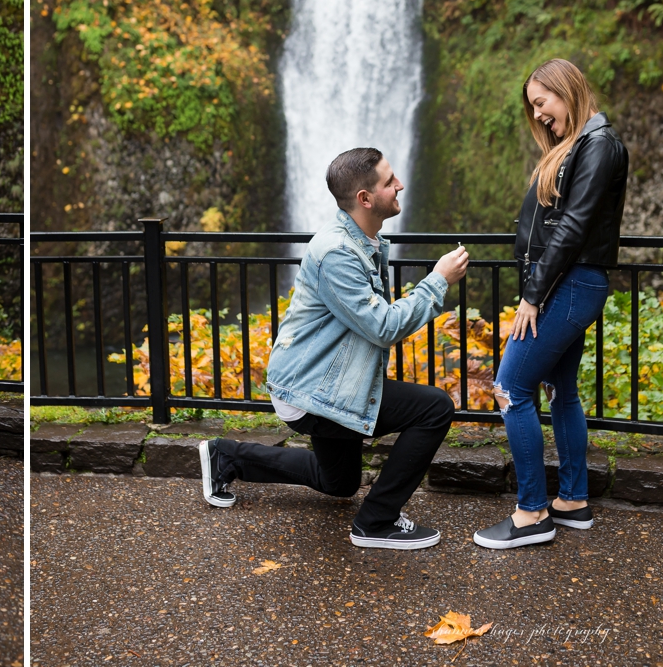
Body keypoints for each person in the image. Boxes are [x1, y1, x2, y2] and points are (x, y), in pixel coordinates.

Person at [199, 147, 471, 549]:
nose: (400, 185)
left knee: (339, 482)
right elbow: (383, 326)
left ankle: (227, 456)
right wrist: (437, 281)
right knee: (434, 408)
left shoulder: (363, 240)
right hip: (311, 389)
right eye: (389, 181)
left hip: (330, 379)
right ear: (365, 198)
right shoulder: (338, 253)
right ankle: (376, 522)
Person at [474, 58, 628, 550]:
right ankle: (572, 501)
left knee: (509, 388)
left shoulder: (599, 145)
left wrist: (532, 296)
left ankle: (531, 513)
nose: (538, 114)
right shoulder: (581, 144)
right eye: (534, 107)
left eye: (542, 102)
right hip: (569, 282)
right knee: (562, 390)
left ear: (567, 91)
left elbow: (574, 226)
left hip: (569, 284)